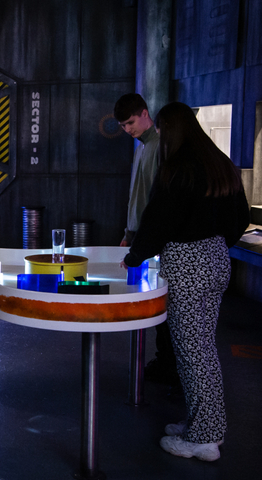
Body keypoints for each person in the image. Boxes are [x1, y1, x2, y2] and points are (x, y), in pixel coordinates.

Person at [122, 101, 249, 461]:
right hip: (216, 260)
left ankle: (206, 436)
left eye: (161, 129)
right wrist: (213, 242)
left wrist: (134, 255)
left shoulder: (177, 168)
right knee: (200, 347)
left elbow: (158, 219)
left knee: (194, 353)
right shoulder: (218, 163)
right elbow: (239, 217)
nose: (158, 135)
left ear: (171, 129)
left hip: (187, 266)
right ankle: (198, 421)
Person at [114, 93, 177, 386]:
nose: (128, 129)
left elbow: (154, 202)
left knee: (165, 303)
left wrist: (139, 237)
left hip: (155, 239)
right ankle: (164, 361)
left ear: (144, 113)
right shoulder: (145, 147)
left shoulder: (159, 147)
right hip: (143, 236)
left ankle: (168, 364)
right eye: (124, 125)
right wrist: (130, 234)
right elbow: (138, 197)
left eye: (131, 122)